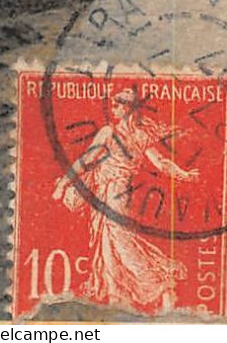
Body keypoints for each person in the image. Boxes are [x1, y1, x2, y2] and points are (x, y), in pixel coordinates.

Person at [52, 87, 198, 313]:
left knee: (120, 241)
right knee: (108, 243)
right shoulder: (130, 134)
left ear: (129, 108)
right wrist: (184, 174)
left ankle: (158, 286)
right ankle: (114, 296)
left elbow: (160, 163)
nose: (113, 107)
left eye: (118, 103)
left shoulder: (114, 133)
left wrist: (63, 184)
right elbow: (88, 159)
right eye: (113, 103)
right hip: (113, 192)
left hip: (114, 194)